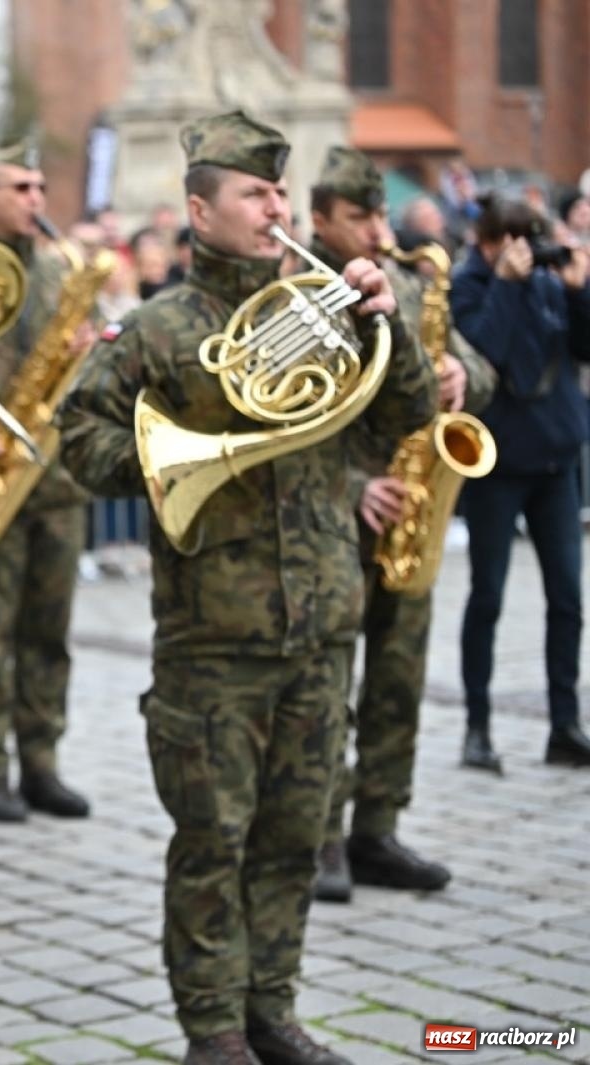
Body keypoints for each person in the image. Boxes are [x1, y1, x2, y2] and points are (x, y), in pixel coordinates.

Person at [59, 111, 437, 1065]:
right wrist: (176, 462)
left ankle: (274, 1008)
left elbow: (412, 412)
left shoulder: (326, 303)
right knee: (212, 842)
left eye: (281, 193)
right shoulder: (157, 328)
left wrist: (388, 324)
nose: (276, 210)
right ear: (201, 209)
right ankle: (214, 1028)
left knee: (294, 836)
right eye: (255, 195)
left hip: (322, 618)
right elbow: (80, 438)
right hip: (213, 635)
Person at [303, 148, 496, 905]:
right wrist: (351, 483)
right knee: (327, 685)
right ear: (321, 219)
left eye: (382, 214)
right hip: (336, 512)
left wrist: (461, 377)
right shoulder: (300, 292)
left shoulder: (411, 285)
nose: (379, 230)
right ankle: (321, 833)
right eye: (360, 217)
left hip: (411, 504)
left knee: (398, 674)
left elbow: (481, 370)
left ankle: (376, 825)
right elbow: (278, 411)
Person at [0, 138, 92, 824]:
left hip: (54, 480)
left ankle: (42, 762)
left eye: (40, 187)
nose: (37, 199)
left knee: (48, 632)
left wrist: (85, 357)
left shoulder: (63, 275)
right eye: (20, 187)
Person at [452, 195, 590, 772]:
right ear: (486, 243)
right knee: (488, 596)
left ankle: (564, 724)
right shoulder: (468, 288)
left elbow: (583, 350)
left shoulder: (549, 283)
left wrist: (581, 292)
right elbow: (482, 355)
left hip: (555, 462)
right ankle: (477, 726)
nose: (519, 250)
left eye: (527, 239)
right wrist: (505, 287)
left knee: (567, 598)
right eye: (507, 240)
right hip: (496, 467)